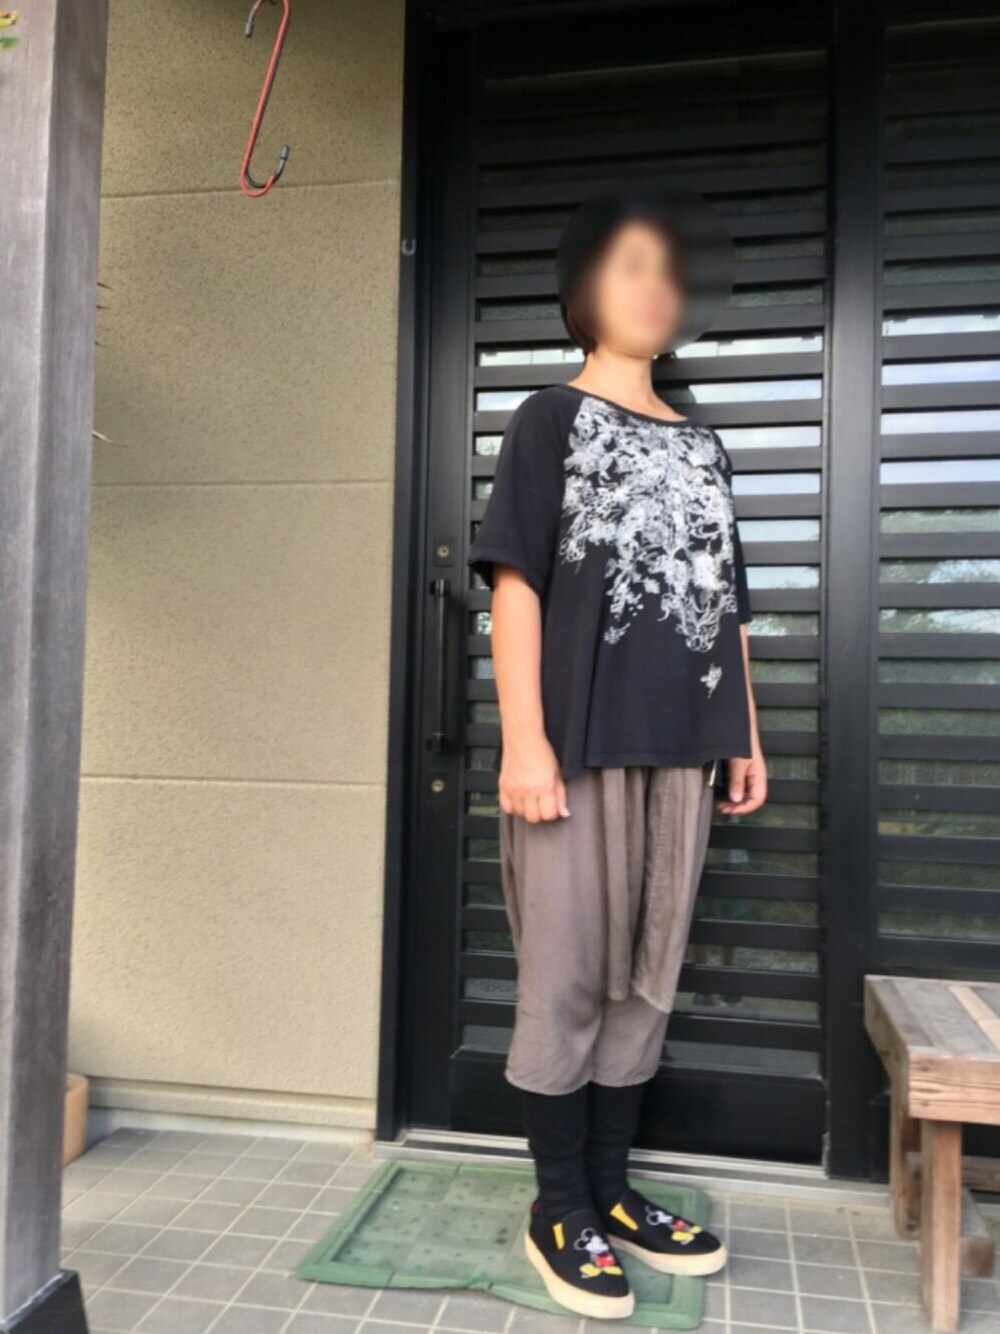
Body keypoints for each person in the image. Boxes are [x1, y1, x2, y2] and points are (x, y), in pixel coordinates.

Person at [468, 189, 767, 1319]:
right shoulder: (548, 420)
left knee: (647, 977)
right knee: (567, 974)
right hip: (577, 749)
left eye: (666, 269)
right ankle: (559, 1204)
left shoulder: (705, 447)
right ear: (583, 290)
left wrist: (745, 736)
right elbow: (515, 585)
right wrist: (524, 741)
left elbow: (727, 609)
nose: (653, 285)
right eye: (629, 264)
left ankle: (609, 1188)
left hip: (683, 751)